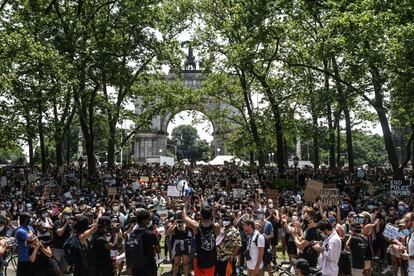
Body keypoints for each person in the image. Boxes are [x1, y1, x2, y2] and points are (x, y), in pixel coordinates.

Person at [183, 199, 220, 276]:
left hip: (199, 259)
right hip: (211, 259)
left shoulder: (196, 226)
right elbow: (218, 234)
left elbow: (184, 217)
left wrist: (186, 203)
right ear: (211, 216)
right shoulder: (216, 226)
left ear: (201, 215)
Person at [128, 208, 160, 276]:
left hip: (136, 266)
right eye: (148, 219)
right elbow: (158, 250)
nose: (150, 221)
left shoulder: (132, 234)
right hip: (149, 266)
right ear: (144, 221)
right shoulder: (151, 234)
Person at [51, 207, 72, 275]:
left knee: (66, 269)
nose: (67, 215)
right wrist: (66, 223)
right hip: (57, 248)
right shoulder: (57, 222)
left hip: (65, 249)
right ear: (62, 214)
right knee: (57, 269)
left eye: (69, 214)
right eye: (66, 214)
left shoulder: (70, 224)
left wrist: (72, 225)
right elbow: (59, 233)